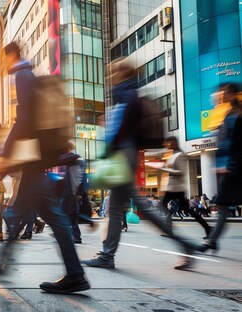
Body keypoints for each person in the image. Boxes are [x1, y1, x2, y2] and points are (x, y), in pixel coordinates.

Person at [82, 58, 197, 270]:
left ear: (121, 74)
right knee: (120, 208)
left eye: (112, 73)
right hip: (128, 154)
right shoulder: (128, 94)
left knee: (123, 209)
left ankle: (108, 256)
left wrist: (111, 147)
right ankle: (108, 255)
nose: (109, 77)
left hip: (123, 155)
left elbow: (125, 127)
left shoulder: (128, 94)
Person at [0, 42, 90, 293]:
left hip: (35, 156)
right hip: (37, 155)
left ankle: (74, 273)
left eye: (2, 59)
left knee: (23, 210)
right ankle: (73, 272)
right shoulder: (27, 75)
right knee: (45, 213)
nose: (1, 64)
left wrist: (7, 152)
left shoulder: (23, 75)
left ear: (11, 56)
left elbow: (25, 118)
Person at [198, 83, 242, 254]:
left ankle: (211, 241)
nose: (220, 95)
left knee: (223, 204)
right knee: (223, 204)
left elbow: (237, 143)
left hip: (235, 166)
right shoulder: (228, 114)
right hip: (227, 166)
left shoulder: (237, 115)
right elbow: (223, 142)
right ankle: (212, 240)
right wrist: (218, 165)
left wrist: (230, 163)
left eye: (223, 92)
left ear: (232, 94)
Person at [155, 136, 211, 237]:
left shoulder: (180, 155)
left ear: (172, 143)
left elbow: (181, 172)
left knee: (182, 208)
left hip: (176, 188)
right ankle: (207, 227)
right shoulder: (174, 154)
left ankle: (207, 227)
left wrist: (165, 169)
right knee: (183, 209)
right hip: (172, 187)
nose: (164, 145)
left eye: (166, 143)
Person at [59, 142, 86, 244]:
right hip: (68, 192)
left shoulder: (75, 159)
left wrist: (78, 193)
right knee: (68, 214)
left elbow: (80, 178)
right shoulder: (71, 160)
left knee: (69, 214)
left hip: (72, 192)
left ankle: (73, 236)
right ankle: (72, 236)